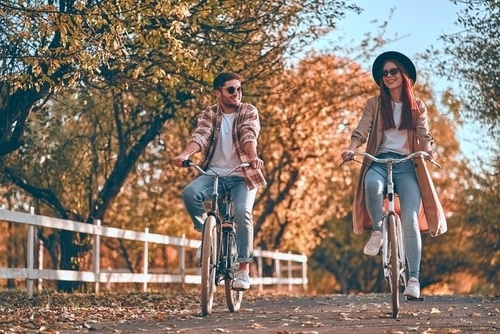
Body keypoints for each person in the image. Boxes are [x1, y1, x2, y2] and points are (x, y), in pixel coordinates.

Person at [341, 51, 447, 298]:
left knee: (410, 219)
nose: (388, 76)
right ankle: (378, 231)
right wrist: (351, 148)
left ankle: (413, 279)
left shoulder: (417, 106)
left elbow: (424, 133)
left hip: (408, 165)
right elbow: (362, 129)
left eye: (393, 71)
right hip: (379, 160)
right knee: (372, 186)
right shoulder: (375, 104)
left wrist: (429, 151)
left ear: (404, 75)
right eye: (384, 73)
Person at [173, 72, 266, 290]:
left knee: (243, 213)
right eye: (231, 89)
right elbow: (201, 135)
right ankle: (208, 239)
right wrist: (185, 155)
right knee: (189, 193)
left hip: (242, 175)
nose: (237, 93)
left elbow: (248, 134)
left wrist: (253, 157)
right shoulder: (210, 114)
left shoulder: (248, 111)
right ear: (218, 93)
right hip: (212, 175)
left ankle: (243, 270)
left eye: (239, 89)